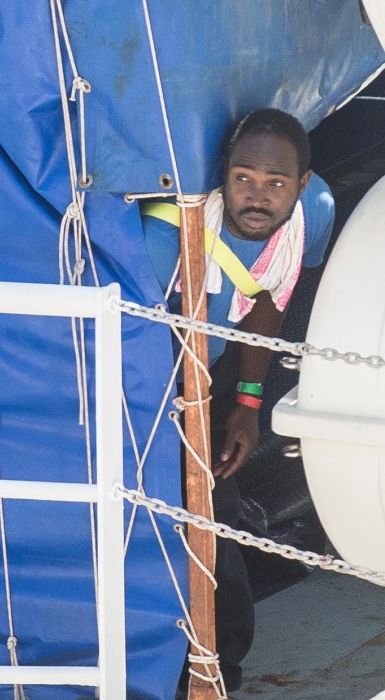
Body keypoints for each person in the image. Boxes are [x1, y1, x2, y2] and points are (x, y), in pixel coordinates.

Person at [142, 108, 335, 693]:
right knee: (168, 512)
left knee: (216, 515)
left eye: (276, 183)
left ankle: (217, 671)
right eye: (243, 178)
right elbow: (142, 338)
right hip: (150, 373)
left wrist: (247, 403)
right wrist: (189, 413)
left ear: (302, 184)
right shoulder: (167, 234)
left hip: (220, 368)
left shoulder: (314, 212)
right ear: (221, 173)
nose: (257, 196)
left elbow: (272, 292)